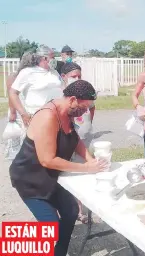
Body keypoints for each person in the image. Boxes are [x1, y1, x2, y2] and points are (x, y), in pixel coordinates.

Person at [9, 80, 107, 256]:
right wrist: (86, 168)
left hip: (51, 177)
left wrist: (90, 160)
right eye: (84, 107)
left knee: (70, 211)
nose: (86, 111)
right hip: (30, 180)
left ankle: (59, 252)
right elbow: (48, 160)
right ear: (73, 99)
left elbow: (75, 139)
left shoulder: (67, 114)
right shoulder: (48, 116)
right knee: (50, 226)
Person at [61, 62, 95, 223]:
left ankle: (79, 210)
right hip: (66, 142)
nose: (76, 79)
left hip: (83, 137)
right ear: (63, 77)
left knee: (81, 175)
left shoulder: (85, 91)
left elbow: (92, 108)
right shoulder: (58, 99)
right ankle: (67, 208)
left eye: (79, 76)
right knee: (67, 176)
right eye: (73, 76)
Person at [9, 45, 64, 127]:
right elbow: (13, 93)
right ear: (44, 58)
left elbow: (62, 88)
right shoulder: (27, 72)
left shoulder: (54, 72)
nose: (55, 60)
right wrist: (23, 114)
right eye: (53, 57)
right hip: (36, 118)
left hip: (56, 117)